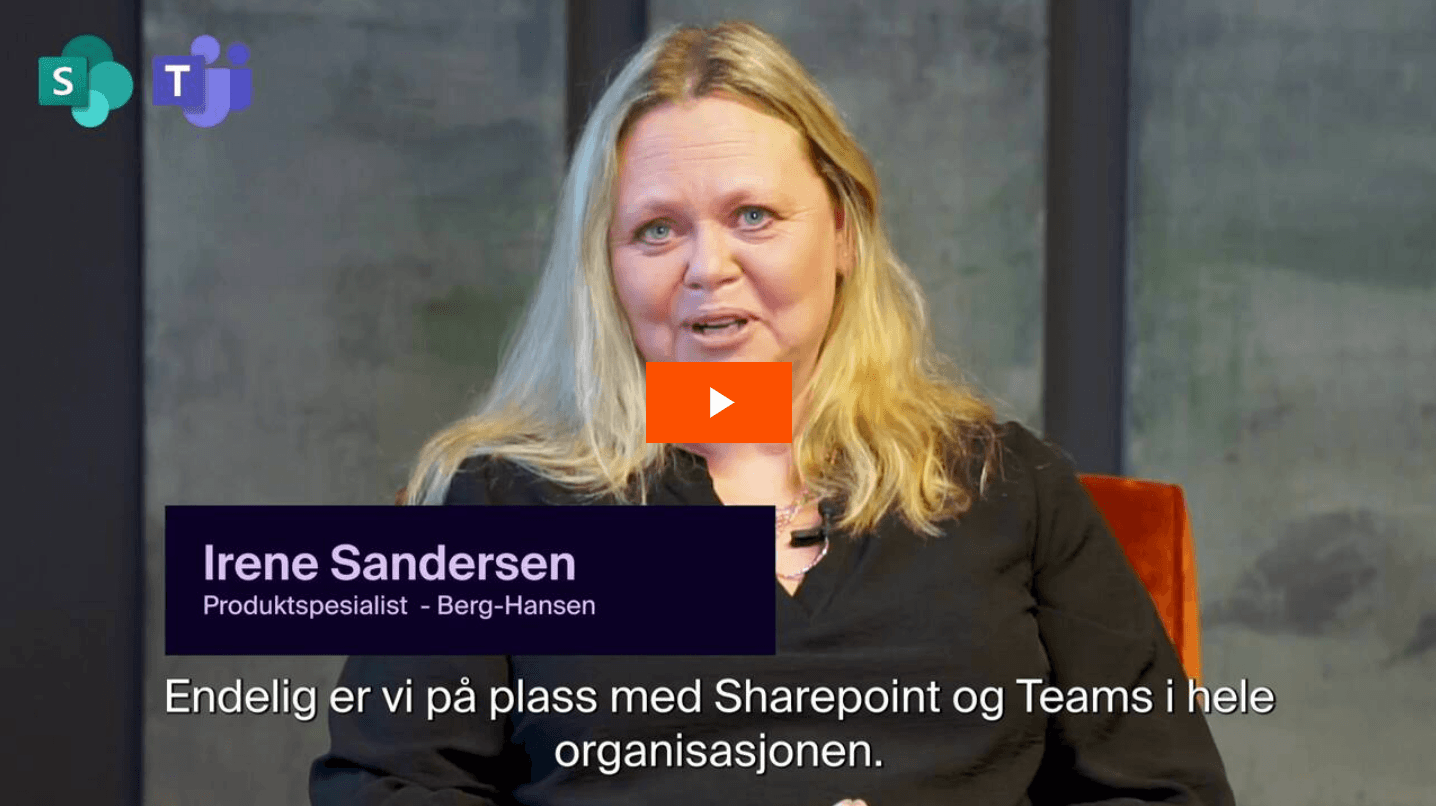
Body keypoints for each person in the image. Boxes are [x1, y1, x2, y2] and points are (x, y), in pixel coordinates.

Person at [310, 20, 1235, 806]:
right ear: (606, 269)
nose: (707, 267)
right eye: (657, 229)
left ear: (842, 231)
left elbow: (1168, 792)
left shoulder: (1009, 488)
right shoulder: (495, 504)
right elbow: (387, 788)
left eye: (753, 215)